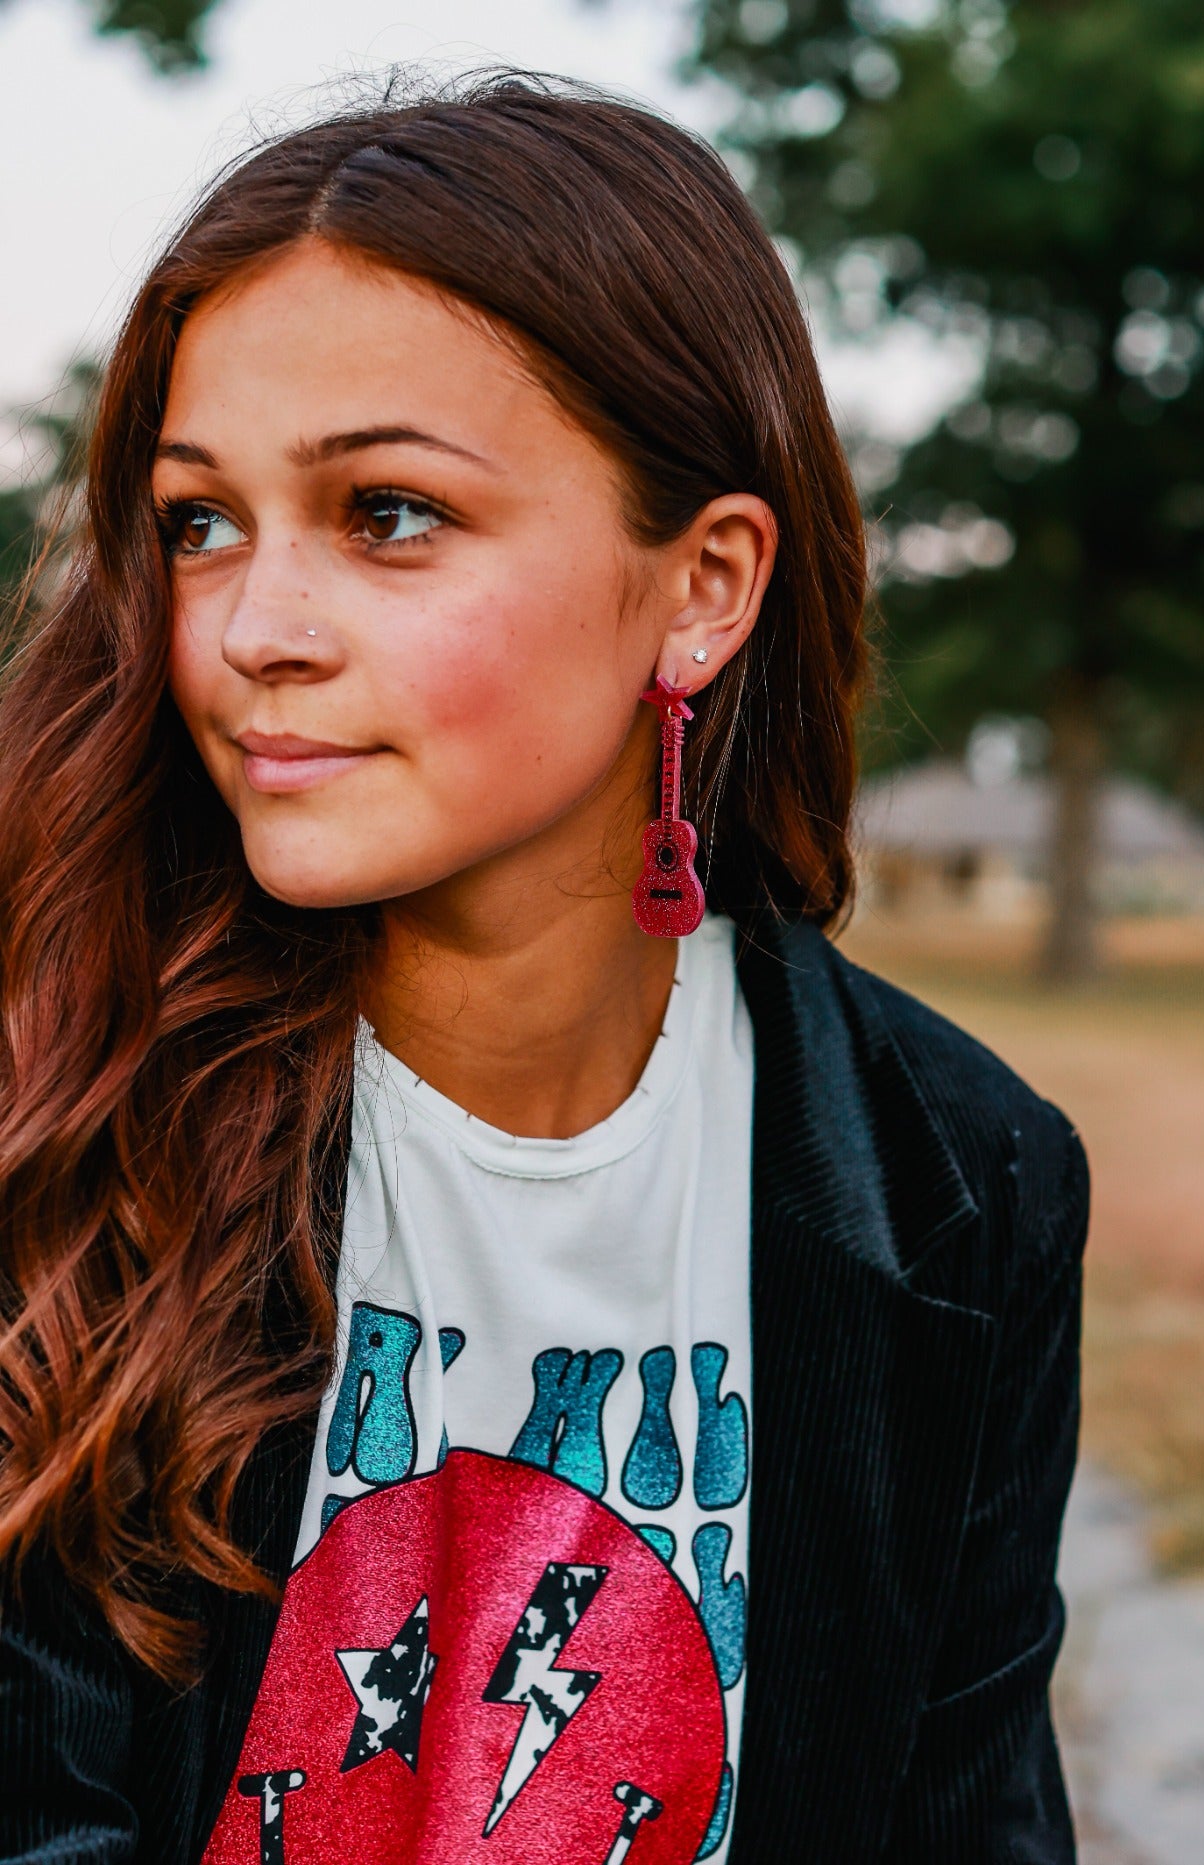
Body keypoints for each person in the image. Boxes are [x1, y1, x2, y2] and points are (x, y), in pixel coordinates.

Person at [0, 73, 1089, 1865]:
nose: (254, 629)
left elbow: (973, 1819)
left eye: (390, 514)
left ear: (702, 587)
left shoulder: (963, 1179)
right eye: (202, 521)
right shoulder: (67, 1113)